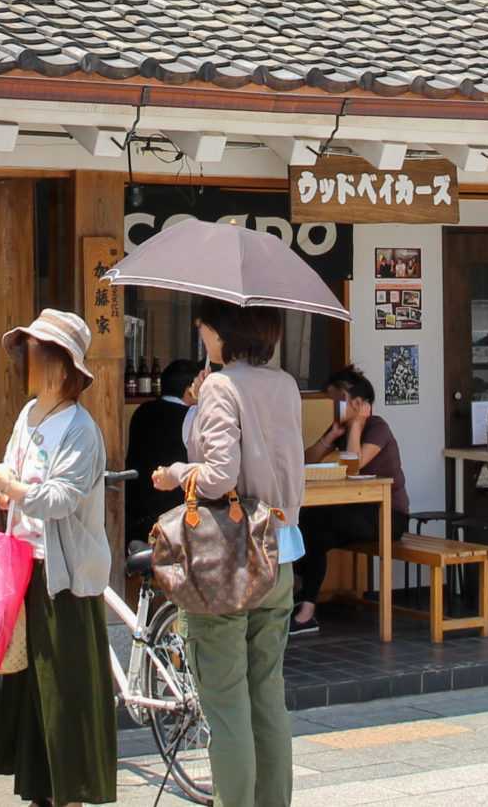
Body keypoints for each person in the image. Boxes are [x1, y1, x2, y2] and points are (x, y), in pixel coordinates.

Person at [152, 302, 306, 807]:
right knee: (267, 695)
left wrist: (176, 473)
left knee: (225, 704)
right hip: (279, 554)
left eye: (203, 328)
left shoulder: (222, 385)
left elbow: (218, 476)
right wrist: (200, 408)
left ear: (222, 330)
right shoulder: (283, 384)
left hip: (231, 564)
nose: (202, 337)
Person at [0, 309, 116, 807]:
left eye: (37, 351)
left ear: (62, 364)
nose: (28, 359)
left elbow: (58, 499)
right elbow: (17, 471)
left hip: (63, 577)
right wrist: (1, 481)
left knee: (64, 690)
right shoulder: (31, 414)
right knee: (33, 686)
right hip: (27, 566)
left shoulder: (81, 428)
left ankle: (68, 793)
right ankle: (41, 792)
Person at [293, 366, 409, 635]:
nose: (335, 406)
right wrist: (331, 435)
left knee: (313, 521)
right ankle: (306, 609)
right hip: (356, 513)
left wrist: (356, 425)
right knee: (313, 530)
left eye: (339, 401)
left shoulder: (378, 427)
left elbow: (354, 466)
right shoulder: (343, 429)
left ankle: (300, 590)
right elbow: (307, 459)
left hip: (388, 515)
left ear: (359, 404)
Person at [123, 357, 205, 544]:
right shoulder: (191, 416)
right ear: (190, 390)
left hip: (135, 513)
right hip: (173, 517)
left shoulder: (142, 411)